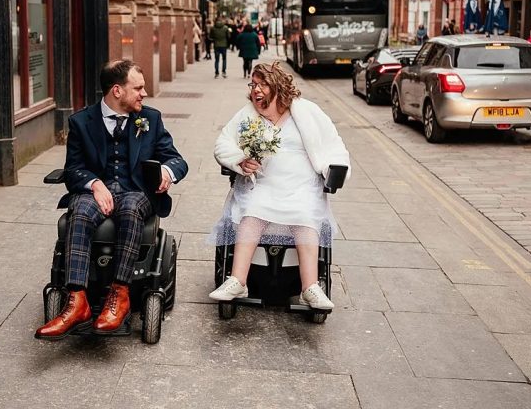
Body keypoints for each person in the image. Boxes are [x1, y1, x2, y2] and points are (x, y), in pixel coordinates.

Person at [35, 59, 188, 340]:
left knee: (130, 208)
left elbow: (177, 160)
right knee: (79, 210)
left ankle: (120, 294)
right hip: (96, 193)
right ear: (117, 91)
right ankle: (77, 301)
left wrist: (167, 172)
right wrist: (94, 184)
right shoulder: (81, 122)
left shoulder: (150, 119)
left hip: (136, 192)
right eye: (138, 88)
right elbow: (73, 169)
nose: (144, 94)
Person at [207, 61, 350, 309]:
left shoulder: (307, 112)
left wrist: (334, 170)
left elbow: (334, 145)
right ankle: (237, 280)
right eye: (253, 84)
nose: (256, 90)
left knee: (305, 213)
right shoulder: (248, 114)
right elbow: (223, 143)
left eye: (262, 84)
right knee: (252, 210)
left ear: (278, 86)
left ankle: (310, 288)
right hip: (262, 184)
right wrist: (239, 160)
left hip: (301, 186)